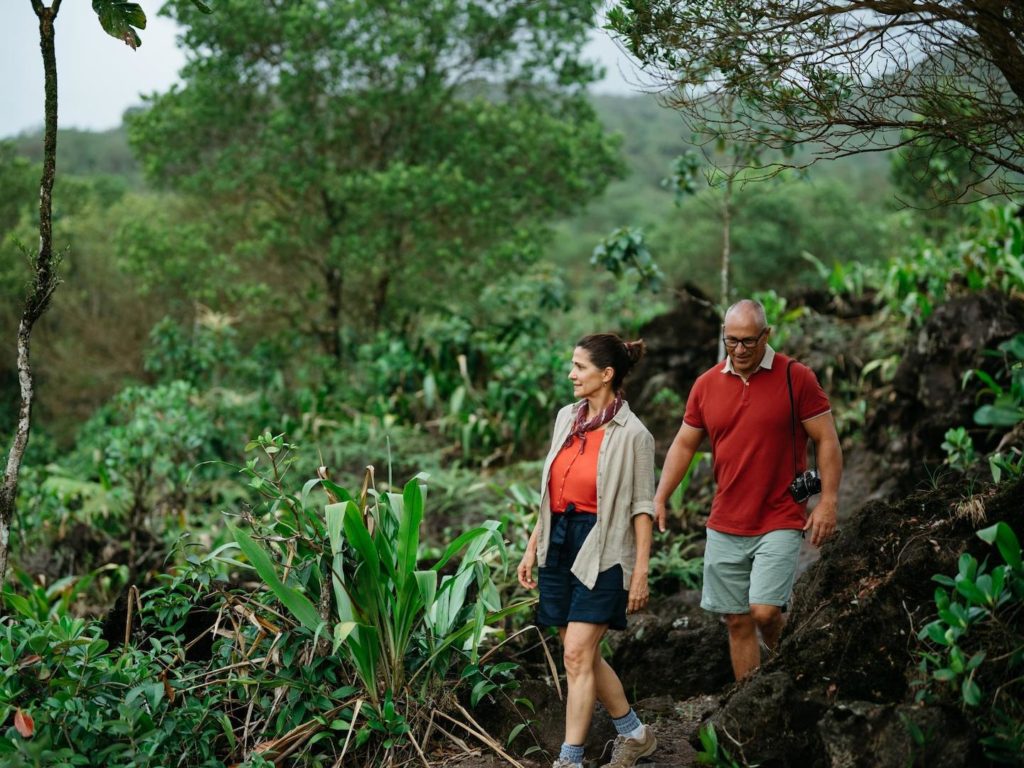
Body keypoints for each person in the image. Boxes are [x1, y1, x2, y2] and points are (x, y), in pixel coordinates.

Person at [654, 299, 843, 681]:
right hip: (726, 520)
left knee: (765, 611)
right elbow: (684, 444)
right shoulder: (706, 385)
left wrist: (828, 502)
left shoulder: (796, 377)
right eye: (732, 341)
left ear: (766, 336)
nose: (739, 350)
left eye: (748, 342)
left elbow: (826, 440)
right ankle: (751, 702)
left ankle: (787, 669)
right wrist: (660, 496)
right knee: (737, 620)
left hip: (780, 514)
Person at [517, 333, 658, 768]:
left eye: (579, 367)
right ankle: (635, 732)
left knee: (577, 653)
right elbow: (551, 490)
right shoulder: (566, 418)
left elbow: (641, 507)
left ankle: (570, 759)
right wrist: (531, 546)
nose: (571, 374)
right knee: (581, 652)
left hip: (603, 544)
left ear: (607, 374)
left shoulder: (634, 434)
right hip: (560, 538)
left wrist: (639, 572)